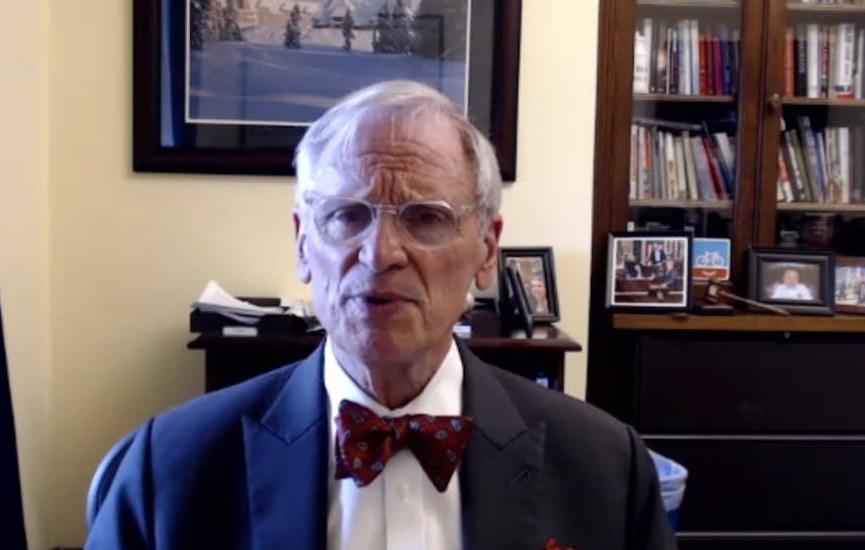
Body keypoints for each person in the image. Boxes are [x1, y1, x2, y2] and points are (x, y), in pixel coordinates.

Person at [85, 80, 676, 549]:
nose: (381, 253)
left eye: (426, 217)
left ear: (487, 249)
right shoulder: (169, 467)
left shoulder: (606, 469)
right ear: (302, 242)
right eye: (347, 215)